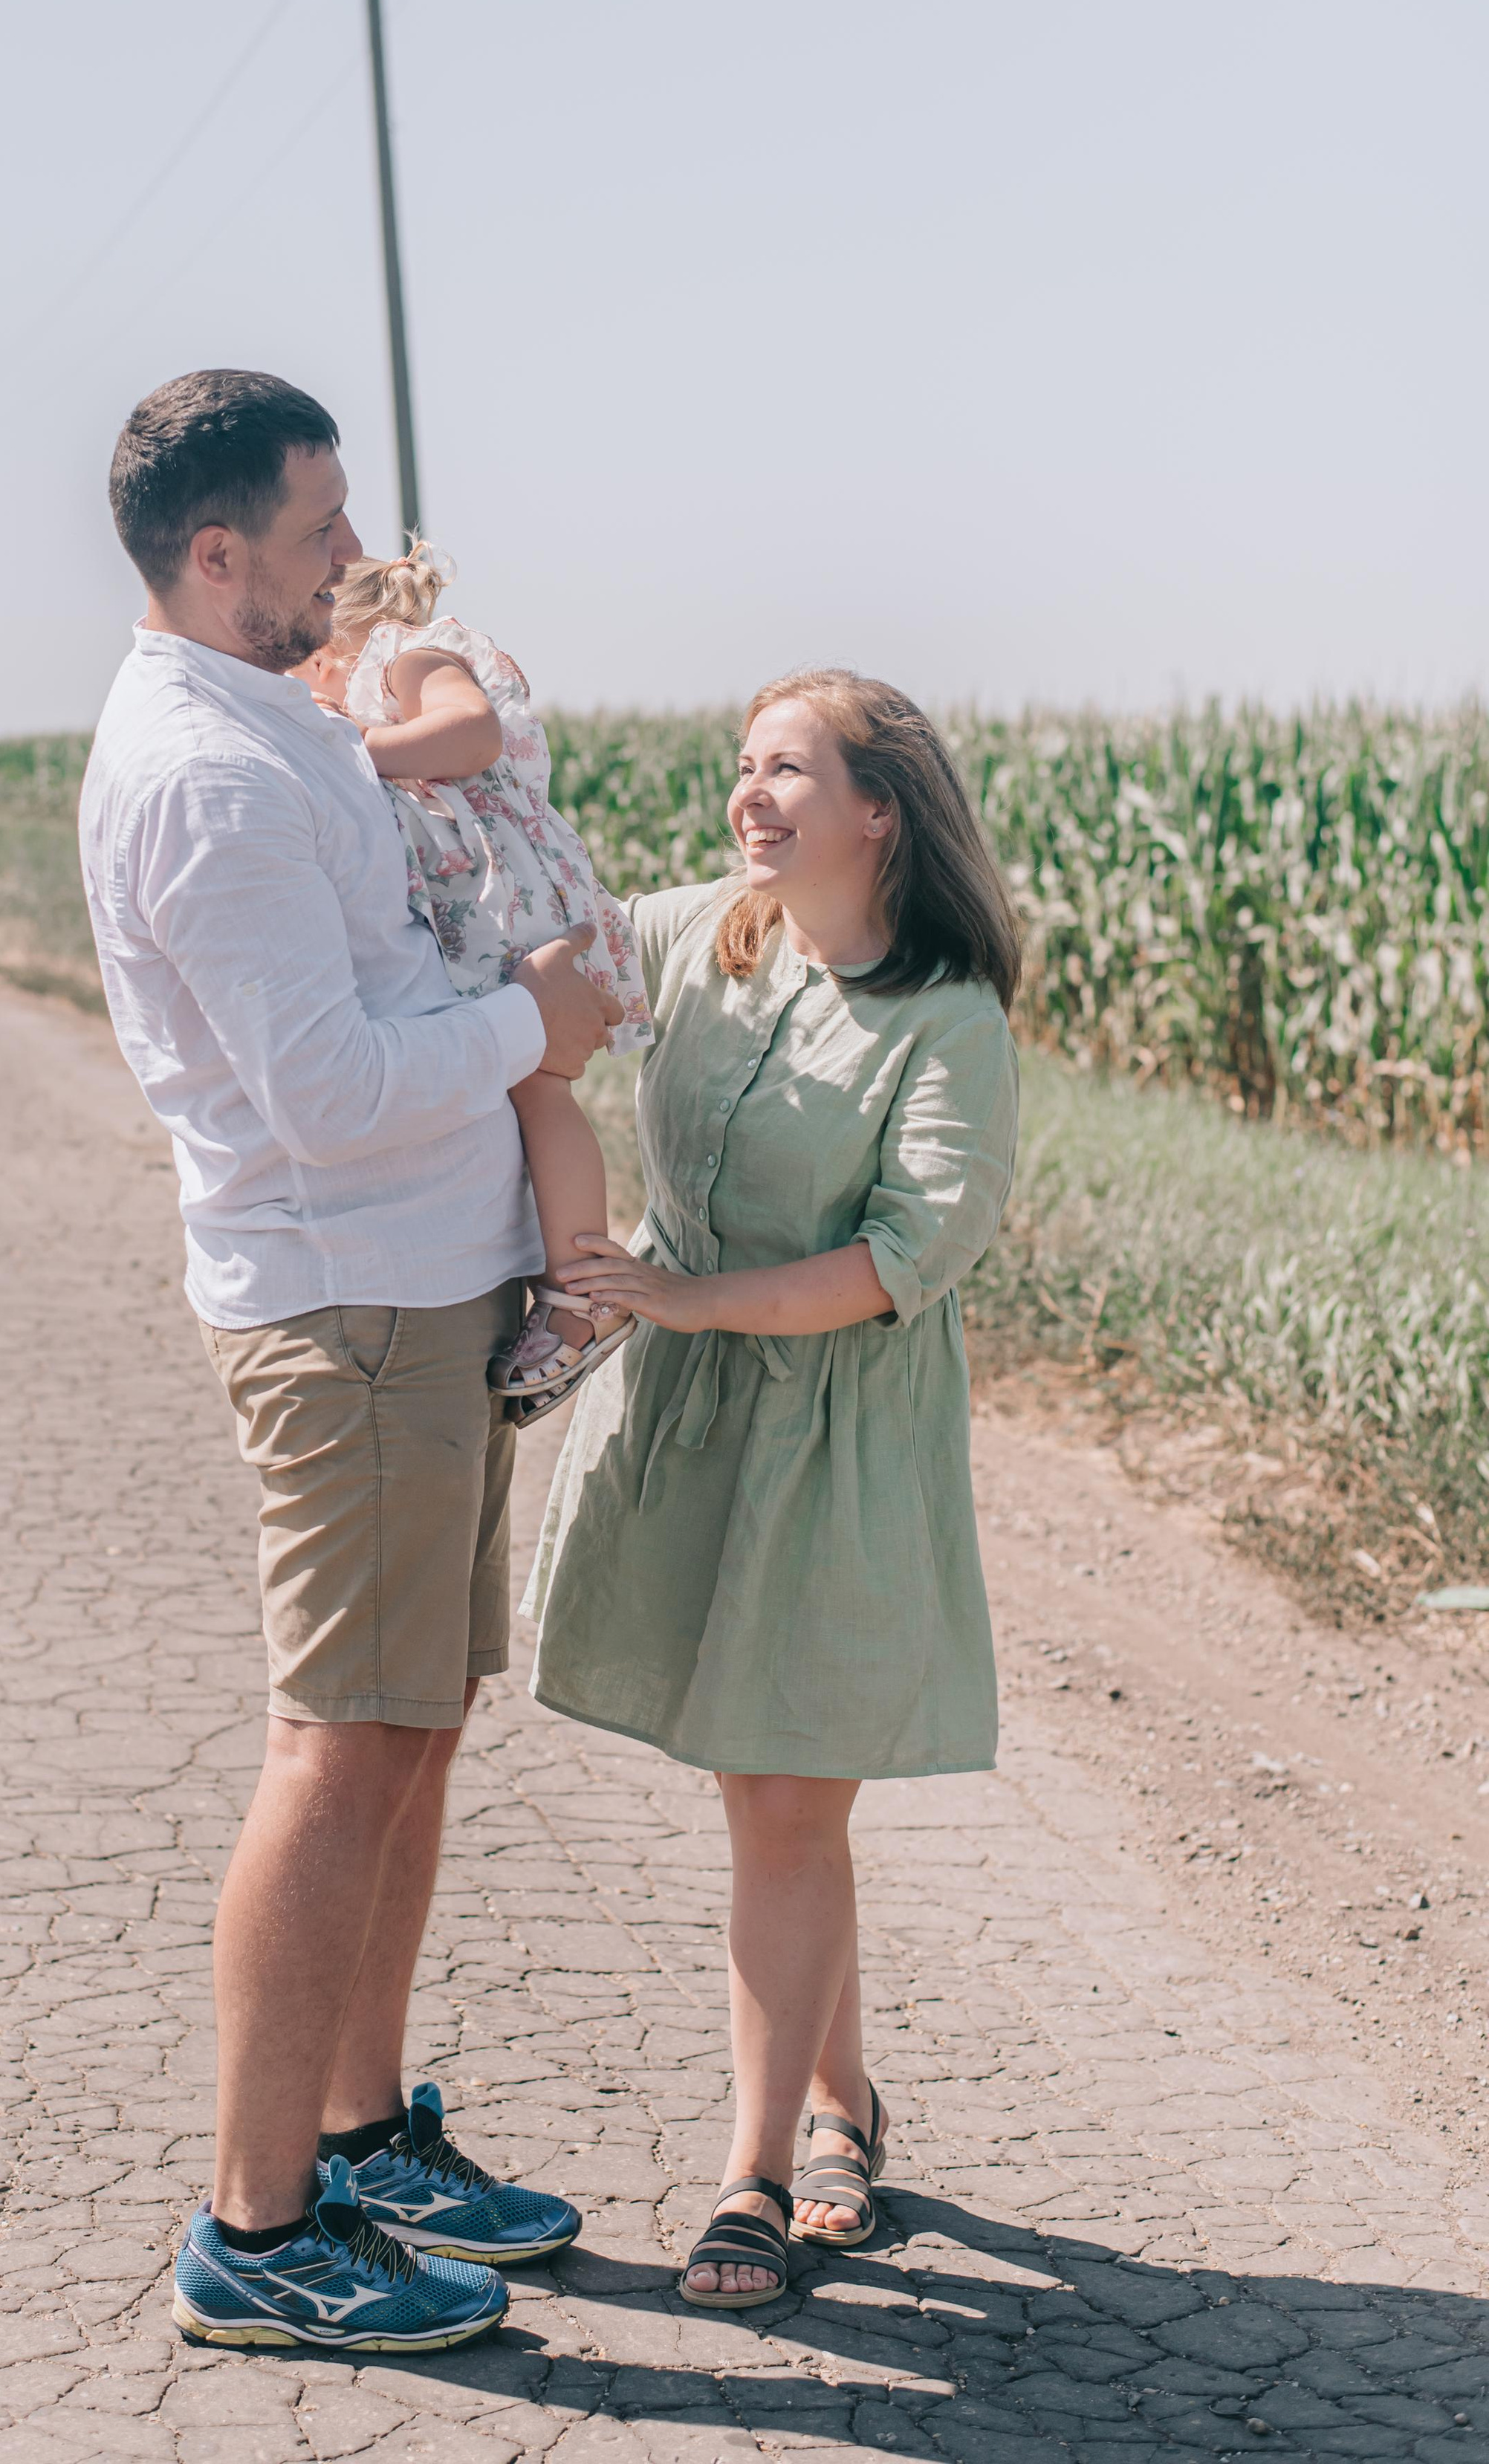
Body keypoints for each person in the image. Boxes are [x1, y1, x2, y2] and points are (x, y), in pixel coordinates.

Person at [79, 369, 620, 2355]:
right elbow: (315, 1090)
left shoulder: (268, 721)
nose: (344, 552)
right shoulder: (206, 776)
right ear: (212, 556)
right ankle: (259, 2222)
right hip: (348, 1308)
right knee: (337, 1745)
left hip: (423, 1290)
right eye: (313, 529)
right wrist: (534, 1025)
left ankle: (366, 2132)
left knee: (410, 1727)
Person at [522, 669, 1022, 2310]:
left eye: (788, 771)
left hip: (833, 1442)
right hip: (691, 1420)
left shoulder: (946, 1019)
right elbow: (529, 955)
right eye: (741, 766)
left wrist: (675, 1298)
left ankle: (747, 2176)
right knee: (772, 1792)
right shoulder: (695, 937)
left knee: (786, 1794)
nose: (751, 796)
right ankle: (838, 2112)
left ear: (876, 810)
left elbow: (899, 1263)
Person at [302, 545, 651, 1417]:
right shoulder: (374, 670)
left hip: (512, 903)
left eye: (310, 655)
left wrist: (357, 746)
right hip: (487, 900)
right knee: (515, 1090)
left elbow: (472, 734)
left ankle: (582, 1300)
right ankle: (556, 1284)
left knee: (540, 1086)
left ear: (344, 632)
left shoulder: (409, 655)